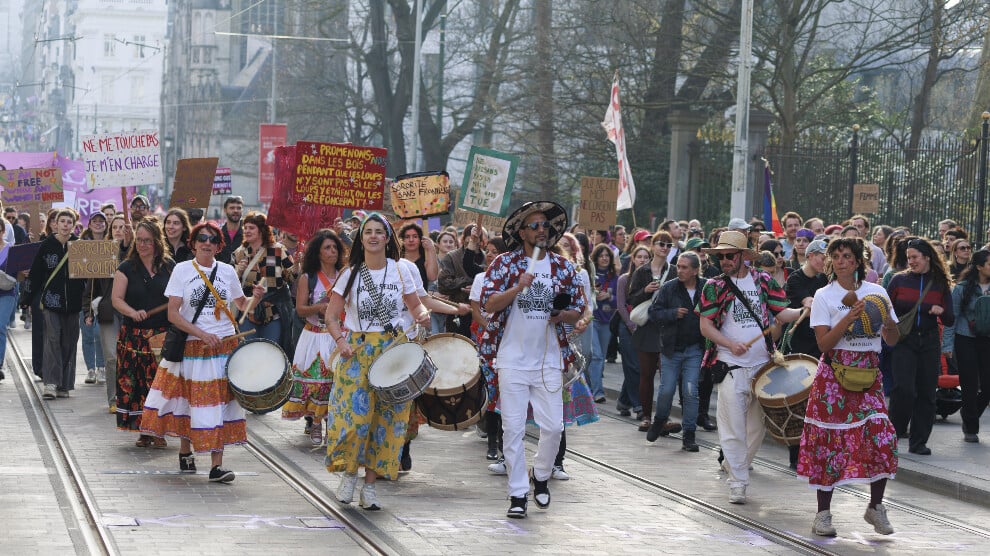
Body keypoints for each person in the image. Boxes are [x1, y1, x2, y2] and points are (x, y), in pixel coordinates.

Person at [480, 201, 584, 519]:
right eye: (535, 225)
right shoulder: (505, 263)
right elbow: (488, 302)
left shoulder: (563, 267)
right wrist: (517, 288)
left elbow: (577, 309)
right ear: (522, 231)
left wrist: (561, 314)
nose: (542, 230)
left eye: (546, 226)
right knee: (512, 428)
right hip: (511, 358)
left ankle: (540, 476)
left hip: (549, 359)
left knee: (553, 428)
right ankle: (517, 493)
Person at [322, 213, 430, 510]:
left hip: (392, 351)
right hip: (356, 351)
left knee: (386, 422)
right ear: (361, 238)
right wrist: (341, 342)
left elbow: (415, 304)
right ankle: (348, 474)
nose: (372, 236)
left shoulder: (401, 270)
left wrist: (422, 314)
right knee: (353, 421)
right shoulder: (350, 273)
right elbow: (331, 316)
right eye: (367, 232)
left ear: (386, 237)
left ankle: (370, 486)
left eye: (378, 232)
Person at [141, 222, 264, 482]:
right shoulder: (182, 270)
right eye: (202, 238)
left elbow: (243, 306)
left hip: (224, 348)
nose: (207, 243)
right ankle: (186, 451)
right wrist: (201, 334)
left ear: (219, 246)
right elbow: (173, 314)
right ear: (193, 243)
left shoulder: (228, 271)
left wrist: (257, 298)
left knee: (217, 405)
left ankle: (216, 465)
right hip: (193, 348)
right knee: (190, 402)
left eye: (212, 239)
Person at [799, 237, 899, 537]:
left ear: (858, 261)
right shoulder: (824, 295)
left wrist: (888, 322)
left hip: (868, 375)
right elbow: (824, 345)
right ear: (831, 262)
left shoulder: (877, 292)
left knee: (882, 438)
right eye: (837, 256)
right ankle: (823, 514)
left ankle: (876, 507)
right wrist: (848, 318)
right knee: (830, 446)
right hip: (834, 378)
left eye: (847, 256)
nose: (842, 261)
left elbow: (892, 339)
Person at [697, 231, 804, 504]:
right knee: (733, 427)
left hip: (762, 367)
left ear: (744, 256)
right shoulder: (714, 286)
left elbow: (783, 314)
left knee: (756, 428)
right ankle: (738, 482)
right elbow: (705, 325)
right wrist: (729, 344)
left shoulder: (763, 280)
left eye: (729, 255)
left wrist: (806, 308)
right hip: (730, 364)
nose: (724, 260)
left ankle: (735, 465)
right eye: (720, 256)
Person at [886, 236, 954, 455]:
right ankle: (893, 434)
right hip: (905, 340)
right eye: (908, 258)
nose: (911, 261)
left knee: (926, 392)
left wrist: (940, 311)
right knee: (904, 389)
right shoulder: (898, 280)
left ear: (926, 258)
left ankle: (918, 442)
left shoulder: (940, 283)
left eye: (915, 257)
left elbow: (951, 318)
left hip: (929, 340)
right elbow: (885, 308)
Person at [111, 217, 175, 447]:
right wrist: (132, 311)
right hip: (133, 336)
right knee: (137, 384)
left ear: (157, 242)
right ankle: (144, 431)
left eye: (147, 240)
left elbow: (178, 298)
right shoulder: (126, 267)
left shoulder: (170, 266)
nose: (142, 245)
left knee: (160, 384)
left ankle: (159, 430)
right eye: (139, 240)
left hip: (161, 335)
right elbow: (116, 299)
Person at [282, 229, 346, 445]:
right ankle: (316, 421)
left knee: (335, 383)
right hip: (315, 336)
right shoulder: (307, 278)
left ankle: (331, 425)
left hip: (338, 335)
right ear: (317, 253)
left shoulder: (344, 276)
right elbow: (300, 310)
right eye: (327, 248)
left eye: (335, 247)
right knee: (317, 383)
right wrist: (319, 307)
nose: (332, 251)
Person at [647, 252, 707, 451]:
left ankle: (689, 434)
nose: (680, 270)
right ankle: (660, 419)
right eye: (678, 266)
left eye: (684, 267)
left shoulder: (707, 287)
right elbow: (653, 313)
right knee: (666, 389)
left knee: (690, 391)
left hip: (695, 348)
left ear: (695, 270)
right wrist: (672, 313)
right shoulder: (669, 288)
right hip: (671, 349)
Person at [26, 209, 85, 399]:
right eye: (63, 221)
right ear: (56, 224)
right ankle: (50, 383)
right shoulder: (46, 246)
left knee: (69, 343)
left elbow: (90, 277)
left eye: (70, 222)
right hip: (51, 302)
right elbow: (35, 274)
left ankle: (64, 384)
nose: (66, 225)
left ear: (74, 225)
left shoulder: (80, 246)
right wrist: (26, 299)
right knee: (52, 340)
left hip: (74, 304)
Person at [627, 231, 677, 431]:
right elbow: (631, 299)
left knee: (667, 377)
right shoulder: (642, 271)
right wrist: (645, 291)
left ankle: (662, 417)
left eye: (668, 245)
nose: (664, 248)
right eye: (661, 244)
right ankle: (646, 416)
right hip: (647, 328)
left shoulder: (674, 271)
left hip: (667, 329)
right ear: (653, 246)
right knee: (646, 374)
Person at [943, 249, 990, 443]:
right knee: (970, 386)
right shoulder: (962, 288)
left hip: (987, 339)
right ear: (979, 266)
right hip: (966, 338)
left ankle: (969, 412)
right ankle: (971, 427)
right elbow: (951, 319)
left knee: (987, 387)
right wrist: (947, 344)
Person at [232, 211, 296, 351]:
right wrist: (238, 272)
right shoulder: (239, 253)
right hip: (248, 313)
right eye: (246, 227)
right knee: (247, 352)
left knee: (271, 353)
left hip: (273, 313)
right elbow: (229, 284)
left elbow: (291, 277)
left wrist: (298, 265)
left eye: (251, 228)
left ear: (261, 230)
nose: (247, 231)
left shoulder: (278, 250)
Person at [614, 245, 649, 419]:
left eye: (646, 257)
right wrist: (631, 325)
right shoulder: (623, 279)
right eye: (639, 256)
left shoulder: (651, 280)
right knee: (633, 366)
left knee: (639, 367)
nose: (642, 260)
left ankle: (623, 401)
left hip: (645, 328)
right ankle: (638, 405)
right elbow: (620, 305)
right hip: (627, 327)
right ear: (633, 259)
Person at [79, 211, 109, 385]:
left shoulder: (111, 244)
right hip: (85, 295)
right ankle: (91, 369)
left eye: (102, 221)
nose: (98, 224)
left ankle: (101, 367)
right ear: (89, 224)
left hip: (103, 296)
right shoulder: (81, 245)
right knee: (88, 333)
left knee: (99, 334)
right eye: (95, 221)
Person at [587, 244, 618, 402]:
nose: (604, 258)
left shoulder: (615, 278)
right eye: (601, 255)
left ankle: (589, 386)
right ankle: (597, 392)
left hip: (607, 322)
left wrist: (609, 297)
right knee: (597, 356)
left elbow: (620, 301)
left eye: (607, 255)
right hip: (592, 320)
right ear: (596, 257)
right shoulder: (590, 274)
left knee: (601, 358)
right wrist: (594, 294)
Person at [217, 195, 244, 264]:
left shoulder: (248, 234)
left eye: (239, 208)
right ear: (225, 210)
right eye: (232, 208)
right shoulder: (218, 234)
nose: (235, 211)